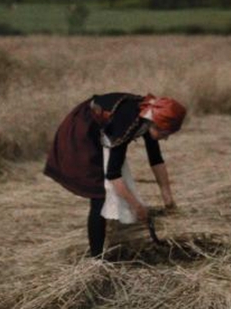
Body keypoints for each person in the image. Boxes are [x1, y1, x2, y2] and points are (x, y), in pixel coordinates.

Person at [44, 93, 186, 258]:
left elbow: (155, 158)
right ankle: (96, 259)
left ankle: (105, 242)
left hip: (104, 129)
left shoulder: (149, 115)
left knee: (107, 190)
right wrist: (137, 206)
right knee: (99, 193)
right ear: (155, 124)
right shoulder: (127, 124)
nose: (166, 139)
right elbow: (113, 175)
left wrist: (167, 197)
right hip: (84, 129)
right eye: (165, 134)